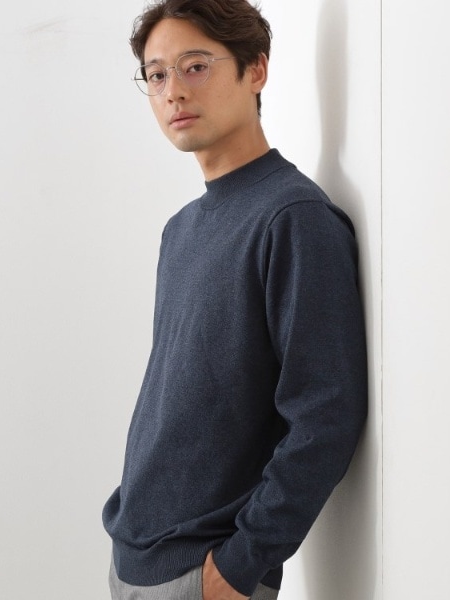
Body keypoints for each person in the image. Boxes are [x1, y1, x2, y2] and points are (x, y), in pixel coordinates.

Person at [102, 1, 368, 598]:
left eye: (195, 66)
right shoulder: (180, 230)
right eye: (157, 74)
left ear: (256, 70)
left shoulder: (293, 218)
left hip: (204, 573)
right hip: (133, 561)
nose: (173, 91)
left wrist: (241, 565)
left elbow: (327, 413)